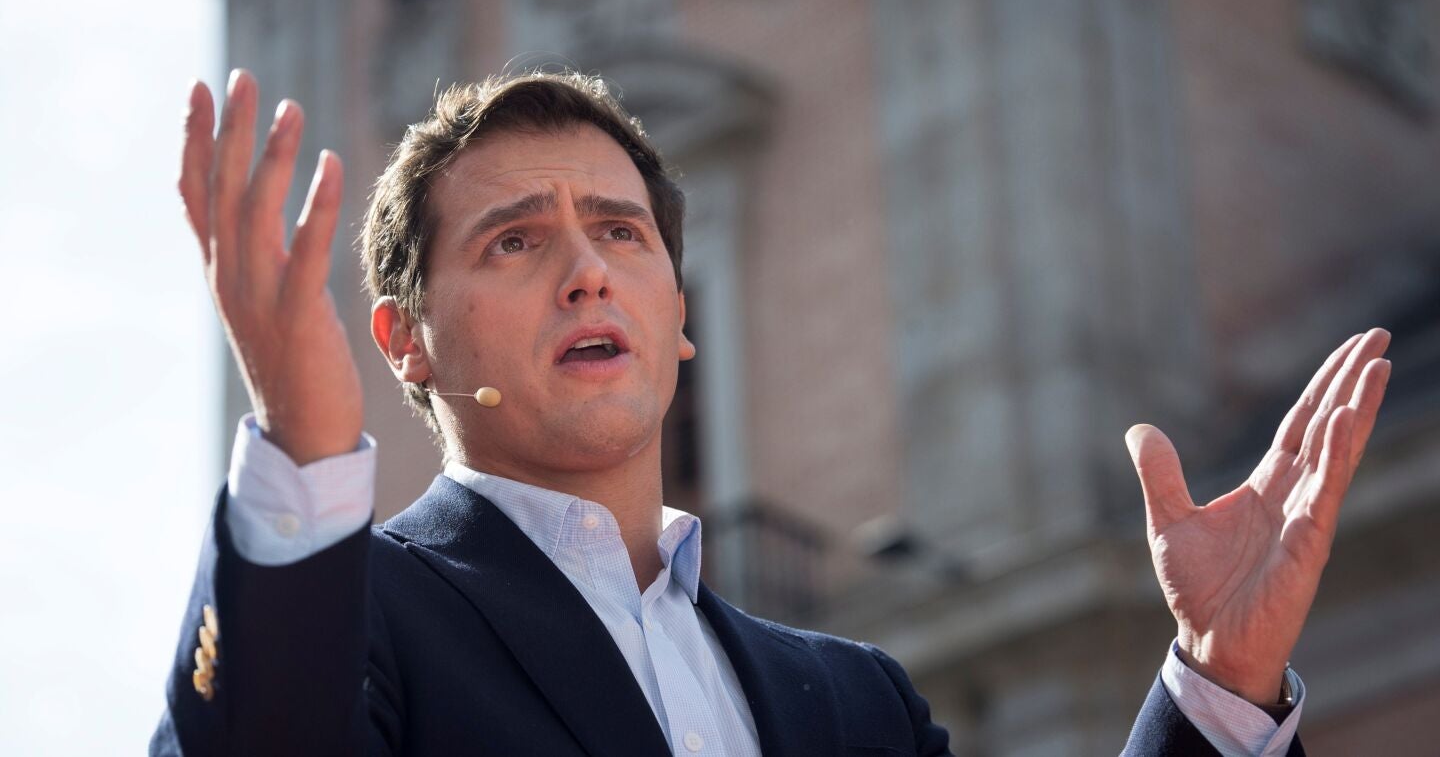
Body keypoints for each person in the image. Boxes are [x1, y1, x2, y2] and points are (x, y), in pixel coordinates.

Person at [151, 68, 1392, 756]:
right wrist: (305, 450)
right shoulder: (354, 613)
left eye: (620, 233)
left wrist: (1221, 688)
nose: (586, 272)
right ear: (407, 343)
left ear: (678, 317)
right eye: (515, 240)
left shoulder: (857, 704)